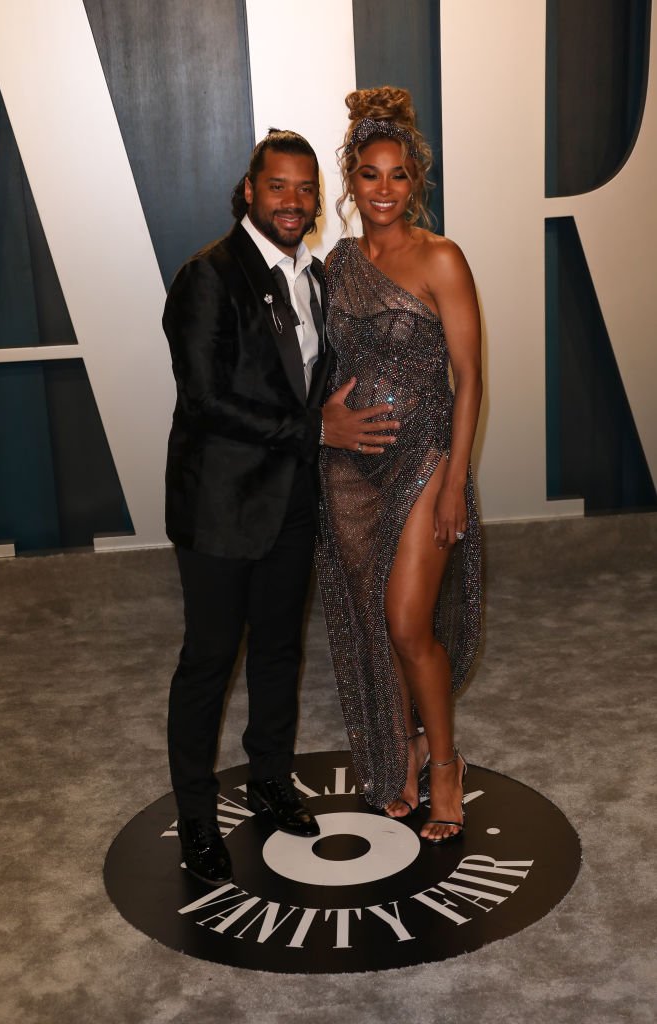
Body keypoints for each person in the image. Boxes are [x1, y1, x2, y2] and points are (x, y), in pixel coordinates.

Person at [163, 129, 399, 886]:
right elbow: (206, 402)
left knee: (277, 653)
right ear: (248, 191)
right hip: (220, 507)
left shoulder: (312, 276)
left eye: (304, 189)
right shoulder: (209, 275)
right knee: (207, 662)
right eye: (277, 188)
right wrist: (314, 428)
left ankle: (268, 778)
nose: (292, 202)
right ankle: (197, 819)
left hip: (292, 500)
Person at [316, 88, 482, 843]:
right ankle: (401, 755)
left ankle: (443, 765)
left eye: (399, 176)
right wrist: (325, 426)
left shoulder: (442, 258)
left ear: (417, 182)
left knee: (408, 621)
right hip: (349, 471)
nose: (384, 190)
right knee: (369, 621)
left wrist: (454, 479)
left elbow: (468, 376)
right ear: (350, 181)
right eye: (370, 175)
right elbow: (318, 368)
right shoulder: (338, 262)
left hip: (422, 461)